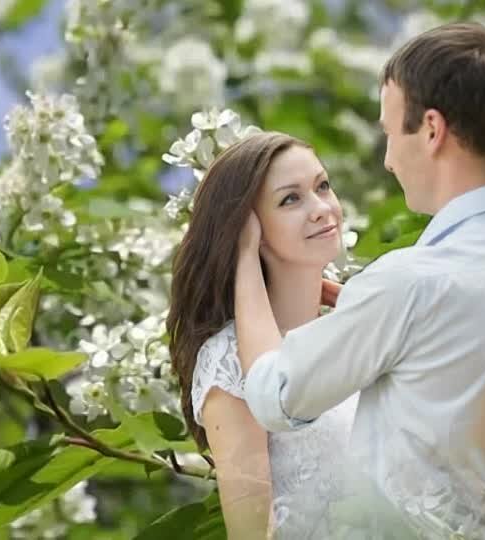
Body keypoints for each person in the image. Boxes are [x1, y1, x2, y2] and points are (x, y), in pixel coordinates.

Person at [234, 22, 485, 538]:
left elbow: (274, 396)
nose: (387, 159)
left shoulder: (410, 283)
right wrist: (367, 315)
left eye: (389, 132)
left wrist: (245, 258)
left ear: (430, 129)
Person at [167, 131, 359, 539]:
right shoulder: (228, 360)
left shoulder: (359, 331)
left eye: (322, 186)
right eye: (291, 199)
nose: (322, 208)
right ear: (247, 229)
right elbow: (253, 533)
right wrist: (243, 259)